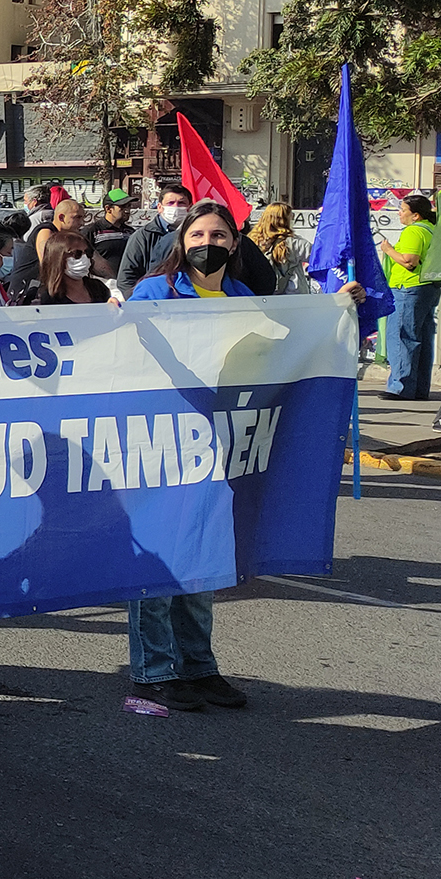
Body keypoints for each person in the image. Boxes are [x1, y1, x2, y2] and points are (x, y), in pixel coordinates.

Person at [120, 201, 365, 712]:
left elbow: (286, 345)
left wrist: (335, 307)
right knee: (163, 556)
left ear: (235, 243)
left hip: (223, 441)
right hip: (164, 440)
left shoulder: (242, 296)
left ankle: (198, 666)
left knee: (205, 554)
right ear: (180, 242)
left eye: (219, 234)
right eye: (197, 234)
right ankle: (155, 670)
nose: (207, 243)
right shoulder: (154, 292)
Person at [378, 192, 440, 401]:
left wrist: (388, 249)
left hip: (408, 287)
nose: (399, 213)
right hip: (427, 287)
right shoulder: (432, 230)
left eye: (403, 210)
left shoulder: (413, 232)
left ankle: (400, 386)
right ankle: (419, 388)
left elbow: (409, 261)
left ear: (416, 215)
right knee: (422, 338)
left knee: (402, 335)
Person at [248, 201, 313, 297]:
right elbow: (319, 259)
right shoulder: (294, 243)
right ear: (285, 220)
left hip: (262, 297)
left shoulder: (252, 241)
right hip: (294, 299)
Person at [29, 227, 103, 306]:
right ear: (58, 258)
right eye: (77, 254)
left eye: (88, 252)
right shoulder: (47, 297)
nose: (84, 257)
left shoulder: (98, 288)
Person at [86, 191, 134, 284]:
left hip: (127, 284)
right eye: (122, 207)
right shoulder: (93, 231)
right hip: (102, 285)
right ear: (108, 209)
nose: (127, 210)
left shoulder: (130, 232)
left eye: (129, 206)